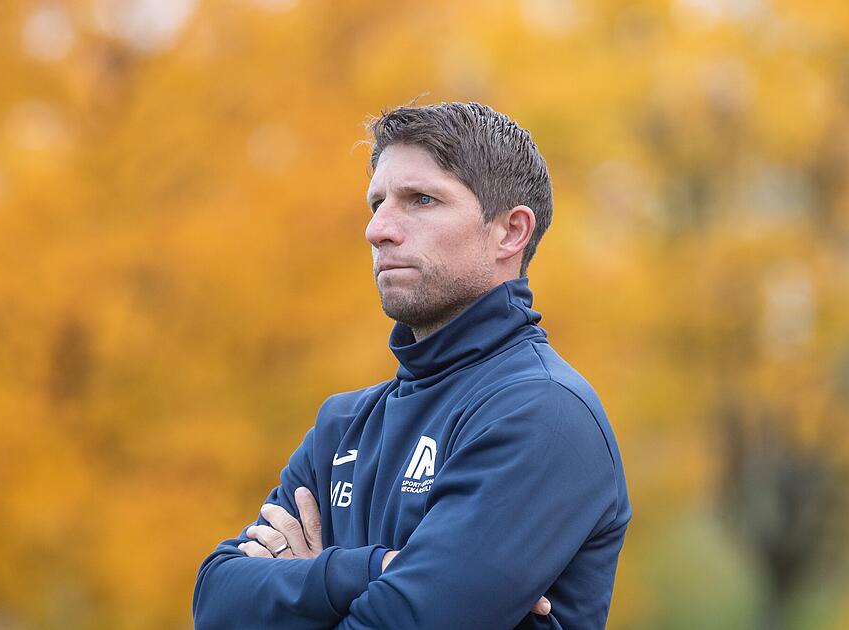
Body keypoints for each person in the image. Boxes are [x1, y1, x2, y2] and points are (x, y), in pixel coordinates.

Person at [192, 101, 631, 629]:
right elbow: (215, 603)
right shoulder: (342, 425)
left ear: (510, 232)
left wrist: (304, 584)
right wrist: (364, 571)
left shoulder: (543, 413)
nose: (378, 230)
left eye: (420, 200)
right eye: (376, 202)